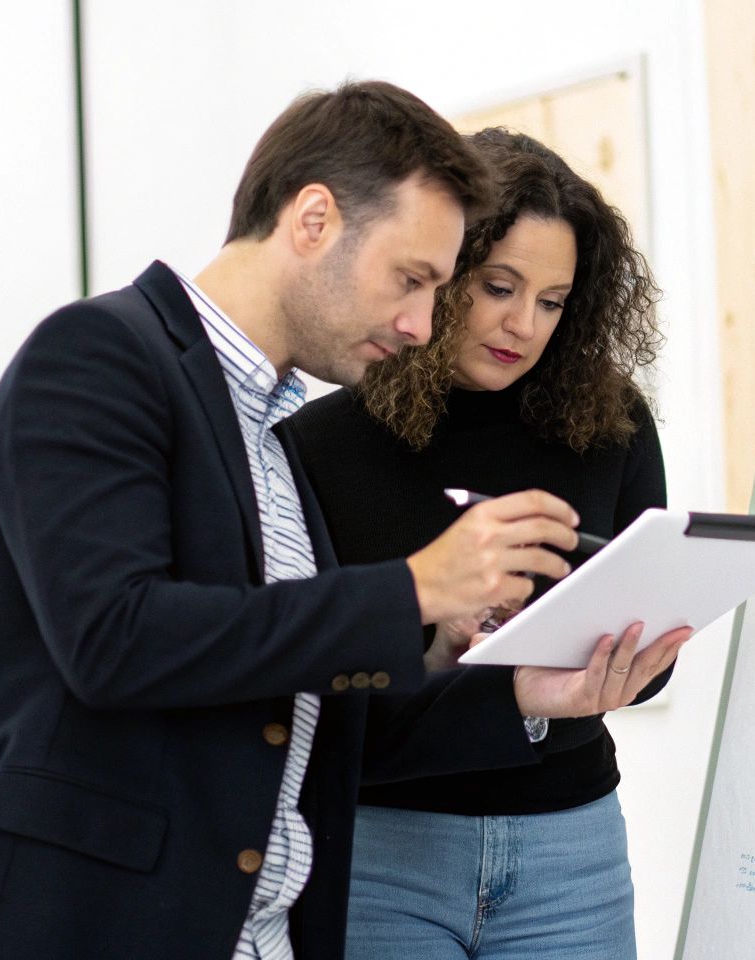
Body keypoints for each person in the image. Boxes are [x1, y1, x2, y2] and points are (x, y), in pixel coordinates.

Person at [0, 84, 687, 960]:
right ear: (313, 220)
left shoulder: (266, 437)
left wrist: (497, 680)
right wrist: (414, 589)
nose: (421, 321)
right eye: (414, 279)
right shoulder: (98, 354)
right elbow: (114, 639)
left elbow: (286, 687)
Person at [286, 128, 680, 960]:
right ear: (442, 266)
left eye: (551, 301)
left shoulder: (612, 426)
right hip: (381, 848)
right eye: (500, 286)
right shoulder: (318, 446)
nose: (522, 324)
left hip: (571, 848)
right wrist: (435, 638)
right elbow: (310, 705)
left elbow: (648, 666)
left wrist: (630, 662)